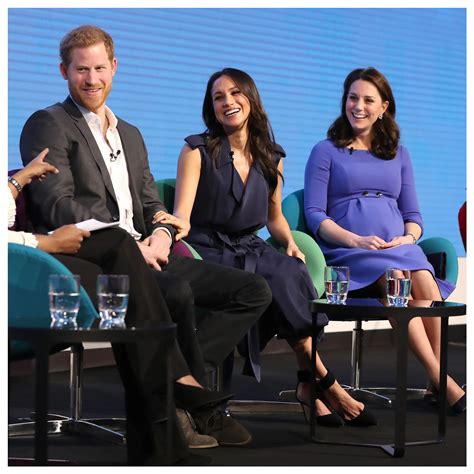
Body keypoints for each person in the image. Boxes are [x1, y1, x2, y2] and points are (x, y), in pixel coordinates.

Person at [18, 26, 273, 452]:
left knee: (253, 290)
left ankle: (180, 393)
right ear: (64, 71)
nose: (92, 79)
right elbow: (57, 205)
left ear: (114, 68)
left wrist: (160, 233)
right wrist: (127, 242)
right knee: (175, 293)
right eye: (81, 70)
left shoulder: (131, 134)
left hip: (146, 251)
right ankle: (187, 402)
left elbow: (152, 202)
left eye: (100, 68)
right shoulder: (49, 124)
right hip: (91, 256)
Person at [161, 67, 376, 427]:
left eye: (235, 93)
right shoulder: (196, 150)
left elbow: (274, 217)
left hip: (250, 246)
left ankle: (312, 384)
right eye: (218, 97)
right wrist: (171, 227)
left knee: (291, 271)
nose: (227, 102)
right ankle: (325, 384)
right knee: (275, 283)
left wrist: (289, 242)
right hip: (208, 248)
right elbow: (183, 213)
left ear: (251, 98)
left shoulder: (271, 156)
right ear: (211, 107)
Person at [8, 149, 248, 465]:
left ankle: (170, 421)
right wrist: (45, 243)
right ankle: (173, 407)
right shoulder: (51, 126)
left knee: (122, 256)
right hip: (21, 267)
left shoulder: (130, 136)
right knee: (132, 277)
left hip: (35, 253)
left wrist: (17, 181)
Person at [303, 67, 465, 413]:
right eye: (352, 98)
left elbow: (414, 216)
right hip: (349, 250)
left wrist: (407, 238)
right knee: (397, 278)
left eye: (367, 100)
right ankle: (442, 379)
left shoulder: (399, 155)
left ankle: (434, 382)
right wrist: (355, 240)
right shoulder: (325, 151)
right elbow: (315, 214)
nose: (358, 106)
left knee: (422, 275)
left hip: (397, 248)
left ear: (383, 107)